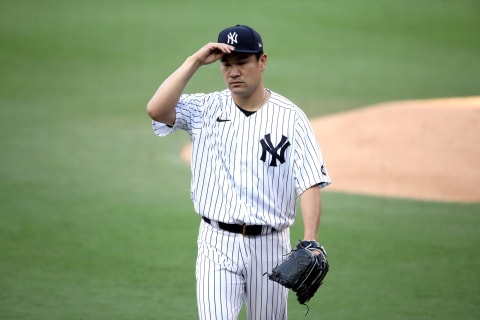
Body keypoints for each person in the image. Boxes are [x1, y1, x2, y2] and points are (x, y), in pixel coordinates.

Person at [146, 24, 331, 320]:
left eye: (242, 63)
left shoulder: (291, 118)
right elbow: (156, 110)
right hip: (215, 244)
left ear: (262, 62)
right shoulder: (204, 109)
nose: (233, 72)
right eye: (227, 64)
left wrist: (310, 239)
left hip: (271, 246)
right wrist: (194, 61)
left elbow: (309, 180)